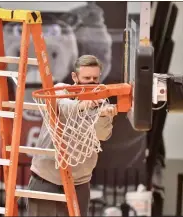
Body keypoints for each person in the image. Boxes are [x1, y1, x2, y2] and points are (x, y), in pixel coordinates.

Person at [26, 55, 117, 216]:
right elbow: (62, 105)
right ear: (75, 77)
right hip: (45, 179)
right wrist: (80, 105)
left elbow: (102, 135)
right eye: (86, 78)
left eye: (95, 78)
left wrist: (103, 115)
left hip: (79, 183)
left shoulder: (102, 102)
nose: (91, 81)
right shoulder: (61, 90)